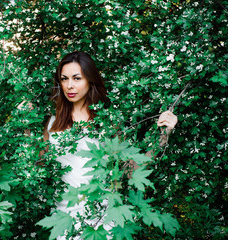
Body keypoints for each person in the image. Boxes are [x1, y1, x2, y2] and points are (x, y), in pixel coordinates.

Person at [42, 51, 178, 239]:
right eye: (64, 79)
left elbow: (129, 171)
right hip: (65, 220)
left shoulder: (106, 124)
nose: (69, 85)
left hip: (103, 218)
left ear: (90, 80)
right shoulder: (52, 123)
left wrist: (162, 136)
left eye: (77, 78)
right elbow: (39, 169)